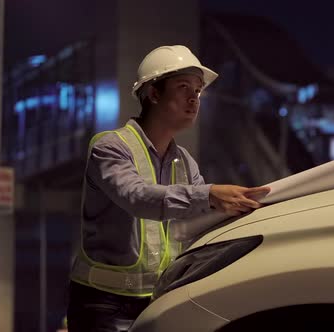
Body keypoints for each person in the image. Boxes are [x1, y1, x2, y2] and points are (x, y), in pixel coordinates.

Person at [66, 45, 270, 332]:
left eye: (198, 91)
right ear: (153, 93)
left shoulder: (184, 161)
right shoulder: (110, 148)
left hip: (158, 299)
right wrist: (210, 195)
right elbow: (137, 198)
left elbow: (204, 217)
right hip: (102, 304)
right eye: (183, 87)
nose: (194, 98)